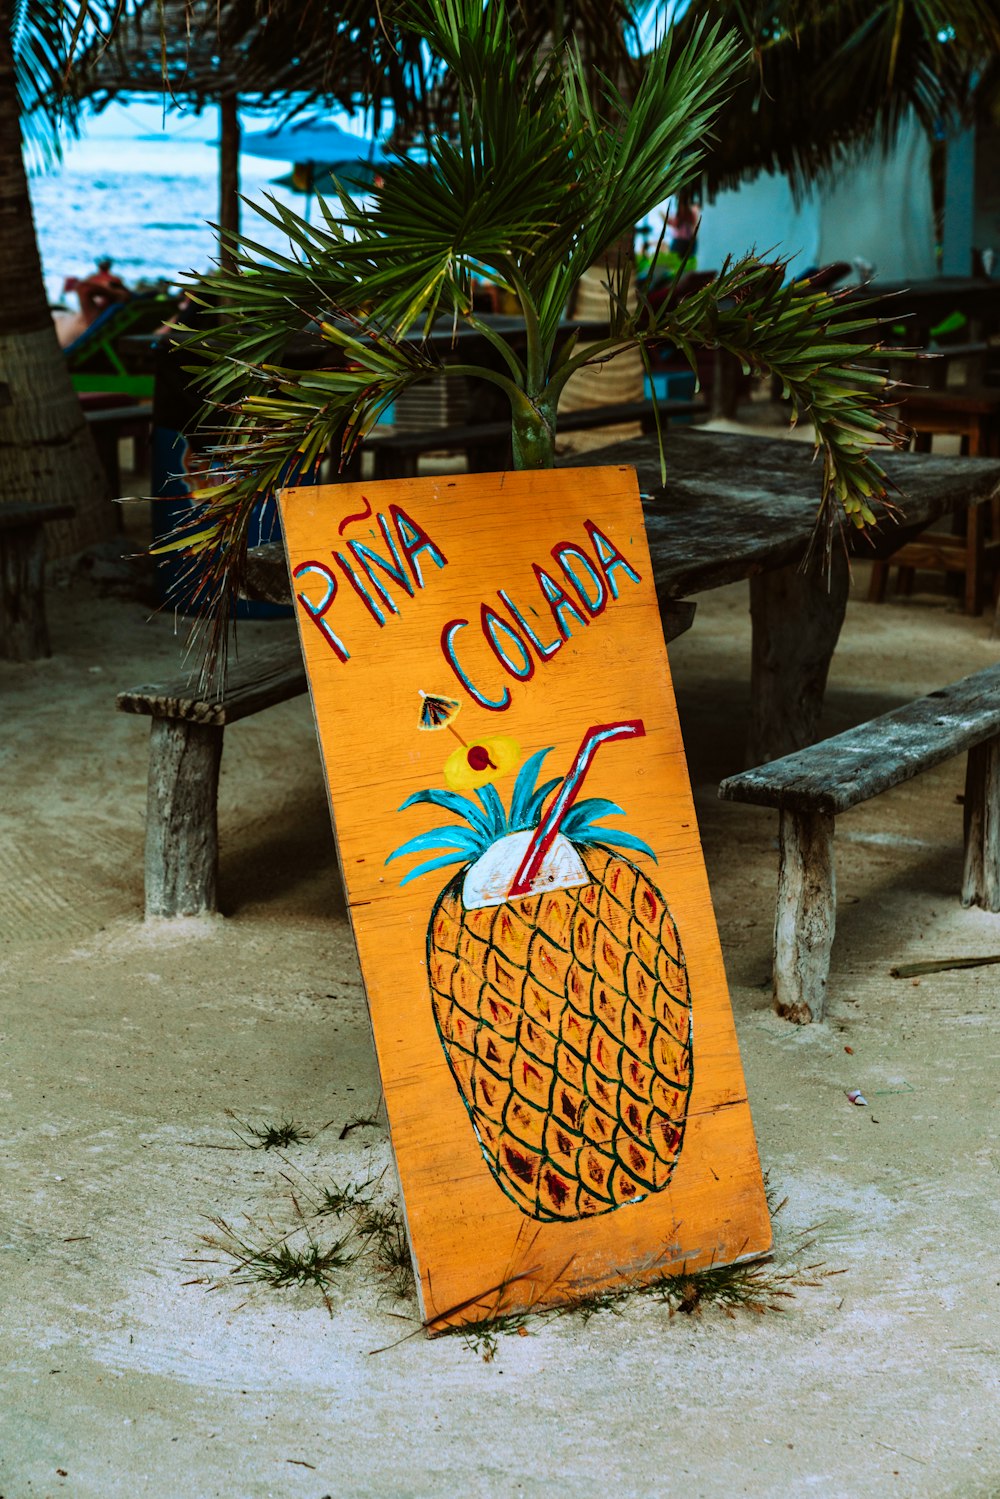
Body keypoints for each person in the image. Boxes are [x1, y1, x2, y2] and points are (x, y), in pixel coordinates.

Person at [52, 259, 131, 348]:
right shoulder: (97, 315)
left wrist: (116, 294)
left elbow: (84, 288)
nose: (98, 298)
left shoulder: (94, 317)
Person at [666, 194, 701, 258]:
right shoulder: (691, 213)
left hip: (682, 243)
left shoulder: (688, 214)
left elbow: (671, 222)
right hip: (687, 242)